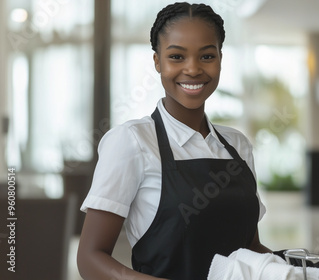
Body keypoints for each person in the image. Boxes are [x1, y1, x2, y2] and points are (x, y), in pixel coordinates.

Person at [77, 2, 271, 279]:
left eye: (206, 56)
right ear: (157, 61)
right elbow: (89, 258)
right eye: (177, 57)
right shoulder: (131, 141)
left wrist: (295, 269)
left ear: (220, 59)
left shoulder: (237, 145)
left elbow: (250, 248)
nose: (193, 69)